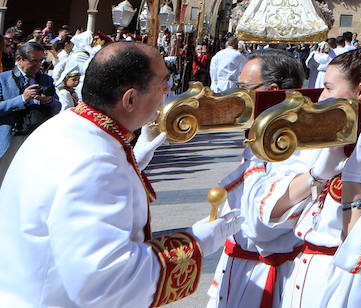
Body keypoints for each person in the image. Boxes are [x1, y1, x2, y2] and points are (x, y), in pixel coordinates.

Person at [0, 42, 239, 306]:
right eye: (162, 83)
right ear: (130, 99)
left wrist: (133, 160)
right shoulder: (96, 163)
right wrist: (196, 243)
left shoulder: (69, 126)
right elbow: (107, 284)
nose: (168, 91)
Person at [255, 48, 361, 307]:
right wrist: (318, 174)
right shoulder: (320, 141)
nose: (321, 96)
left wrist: (354, 178)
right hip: (306, 272)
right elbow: (270, 212)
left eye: (328, 87)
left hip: (353, 285)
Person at [206, 49, 308, 308]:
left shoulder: (297, 148)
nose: (236, 96)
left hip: (268, 274)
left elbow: (258, 226)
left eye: (243, 88)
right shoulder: (257, 140)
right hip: (240, 267)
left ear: (271, 91)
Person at [0, 40, 60, 179]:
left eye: (41, 60)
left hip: (38, 137)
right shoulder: (3, 79)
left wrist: (48, 101)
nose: (38, 65)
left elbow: (58, 107)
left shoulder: (46, 80)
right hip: (12, 138)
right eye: (34, 61)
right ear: (19, 59)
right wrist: (22, 99)